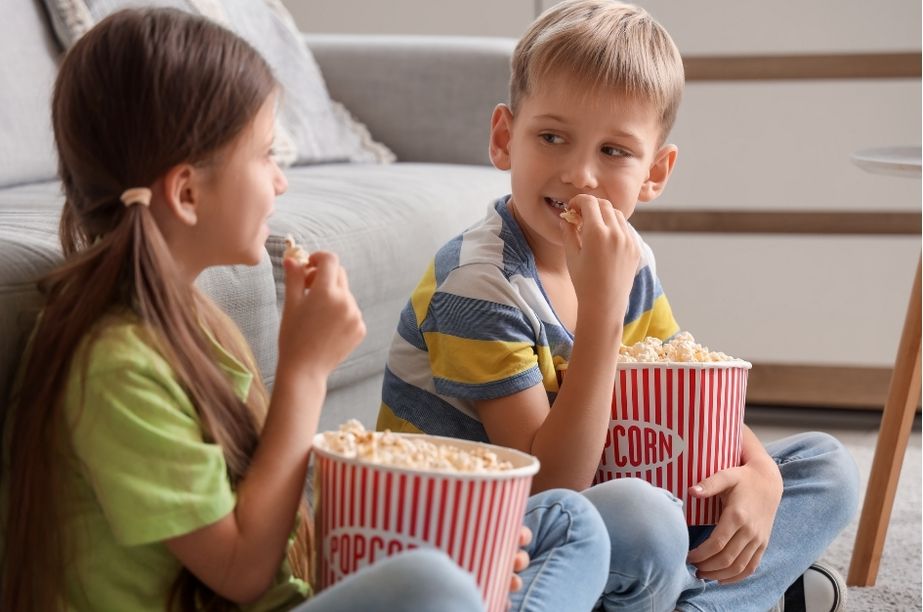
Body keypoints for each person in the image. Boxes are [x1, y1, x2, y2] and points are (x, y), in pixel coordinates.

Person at [0, 8, 611, 612]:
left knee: (570, 524)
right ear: (187, 193)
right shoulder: (116, 367)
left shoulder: (188, 321)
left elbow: (283, 518)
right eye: (266, 156)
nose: (281, 182)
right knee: (435, 586)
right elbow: (241, 572)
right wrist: (304, 370)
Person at [377, 1, 860, 611]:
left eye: (614, 152)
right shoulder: (478, 285)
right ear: (505, 139)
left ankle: (685, 599)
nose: (580, 173)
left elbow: (685, 401)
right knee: (642, 514)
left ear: (655, 172)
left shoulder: (628, 259)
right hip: (499, 538)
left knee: (825, 468)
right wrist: (603, 308)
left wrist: (761, 473)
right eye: (552, 137)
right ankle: (728, 597)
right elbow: (552, 487)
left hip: (599, 496)